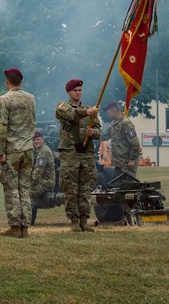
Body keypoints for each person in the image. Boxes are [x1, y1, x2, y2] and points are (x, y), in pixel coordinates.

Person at [0, 68, 36, 238]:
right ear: (21, 81)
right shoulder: (31, 98)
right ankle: (25, 226)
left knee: (11, 189)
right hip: (28, 149)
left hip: (11, 150)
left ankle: (14, 227)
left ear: (7, 81)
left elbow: (2, 127)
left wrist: (0, 152)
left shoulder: (4, 100)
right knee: (24, 189)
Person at [55, 79, 101, 232]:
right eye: (75, 90)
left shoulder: (90, 111)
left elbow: (98, 129)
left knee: (85, 189)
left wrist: (92, 132)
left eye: (80, 90)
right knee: (70, 188)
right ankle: (74, 221)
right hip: (70, 153)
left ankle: (84, 220)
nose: (78, 92)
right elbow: (71, 115)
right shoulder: (63, 107)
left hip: (87, 154)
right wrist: (88, 112)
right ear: (69, 92)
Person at [101, 100, 142, 180]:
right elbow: (104, 136)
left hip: (127, 162)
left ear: (114, 111)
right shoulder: (114, 123)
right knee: (117, 186)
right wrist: (91, 134)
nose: (108, 115)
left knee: (128, 186)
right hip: (118, 162)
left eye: (108, 113)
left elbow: (135, 144)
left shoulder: (126, 124)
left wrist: (132, 160)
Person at [30, 128, 59, 223]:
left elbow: (38, 172)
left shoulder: (43, 151)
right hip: (43, 181)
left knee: (28, 194)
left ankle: (28, 220)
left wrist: (28, 183)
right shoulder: (38, 150)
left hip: (46, 182)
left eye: (38, 139)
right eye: (34, 139)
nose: (36, 141)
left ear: (43, 139)